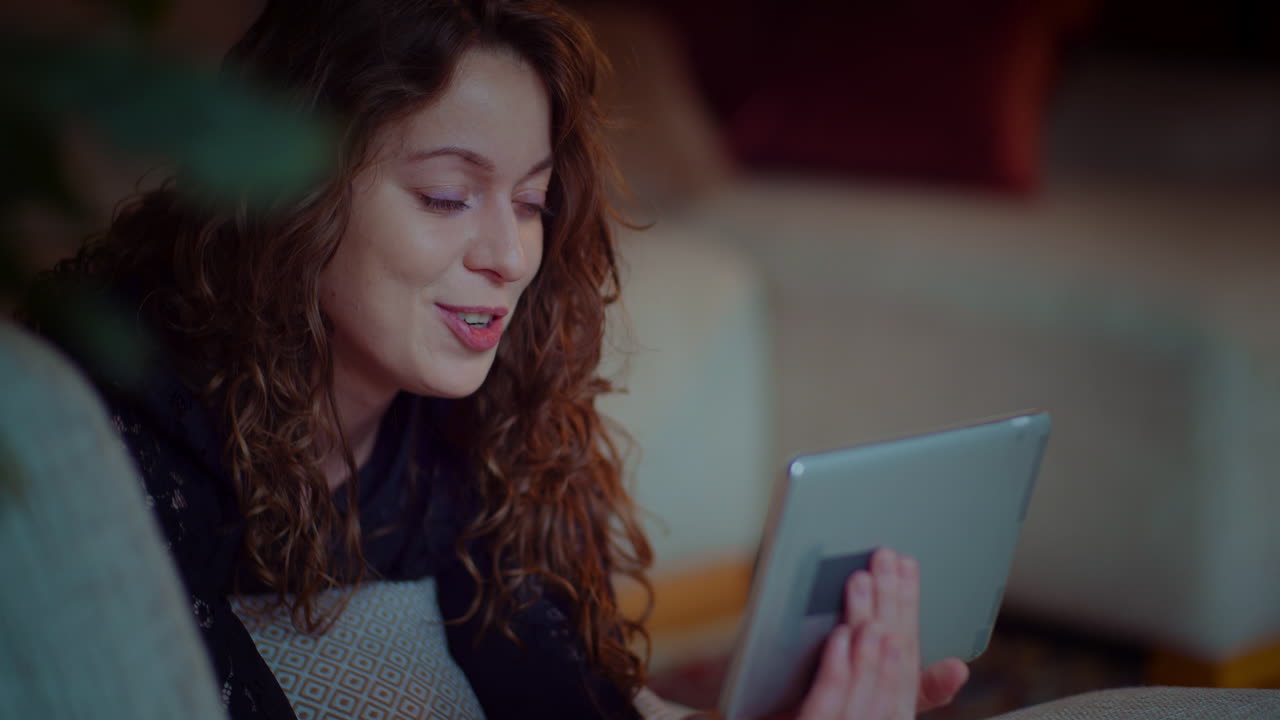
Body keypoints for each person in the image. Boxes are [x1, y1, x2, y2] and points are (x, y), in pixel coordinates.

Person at [23, 0, 969, 718]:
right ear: (288, 195)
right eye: (445, 196)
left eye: (527, 201)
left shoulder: (481, 418)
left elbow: (565, 702)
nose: (511, 258)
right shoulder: (109, 426)